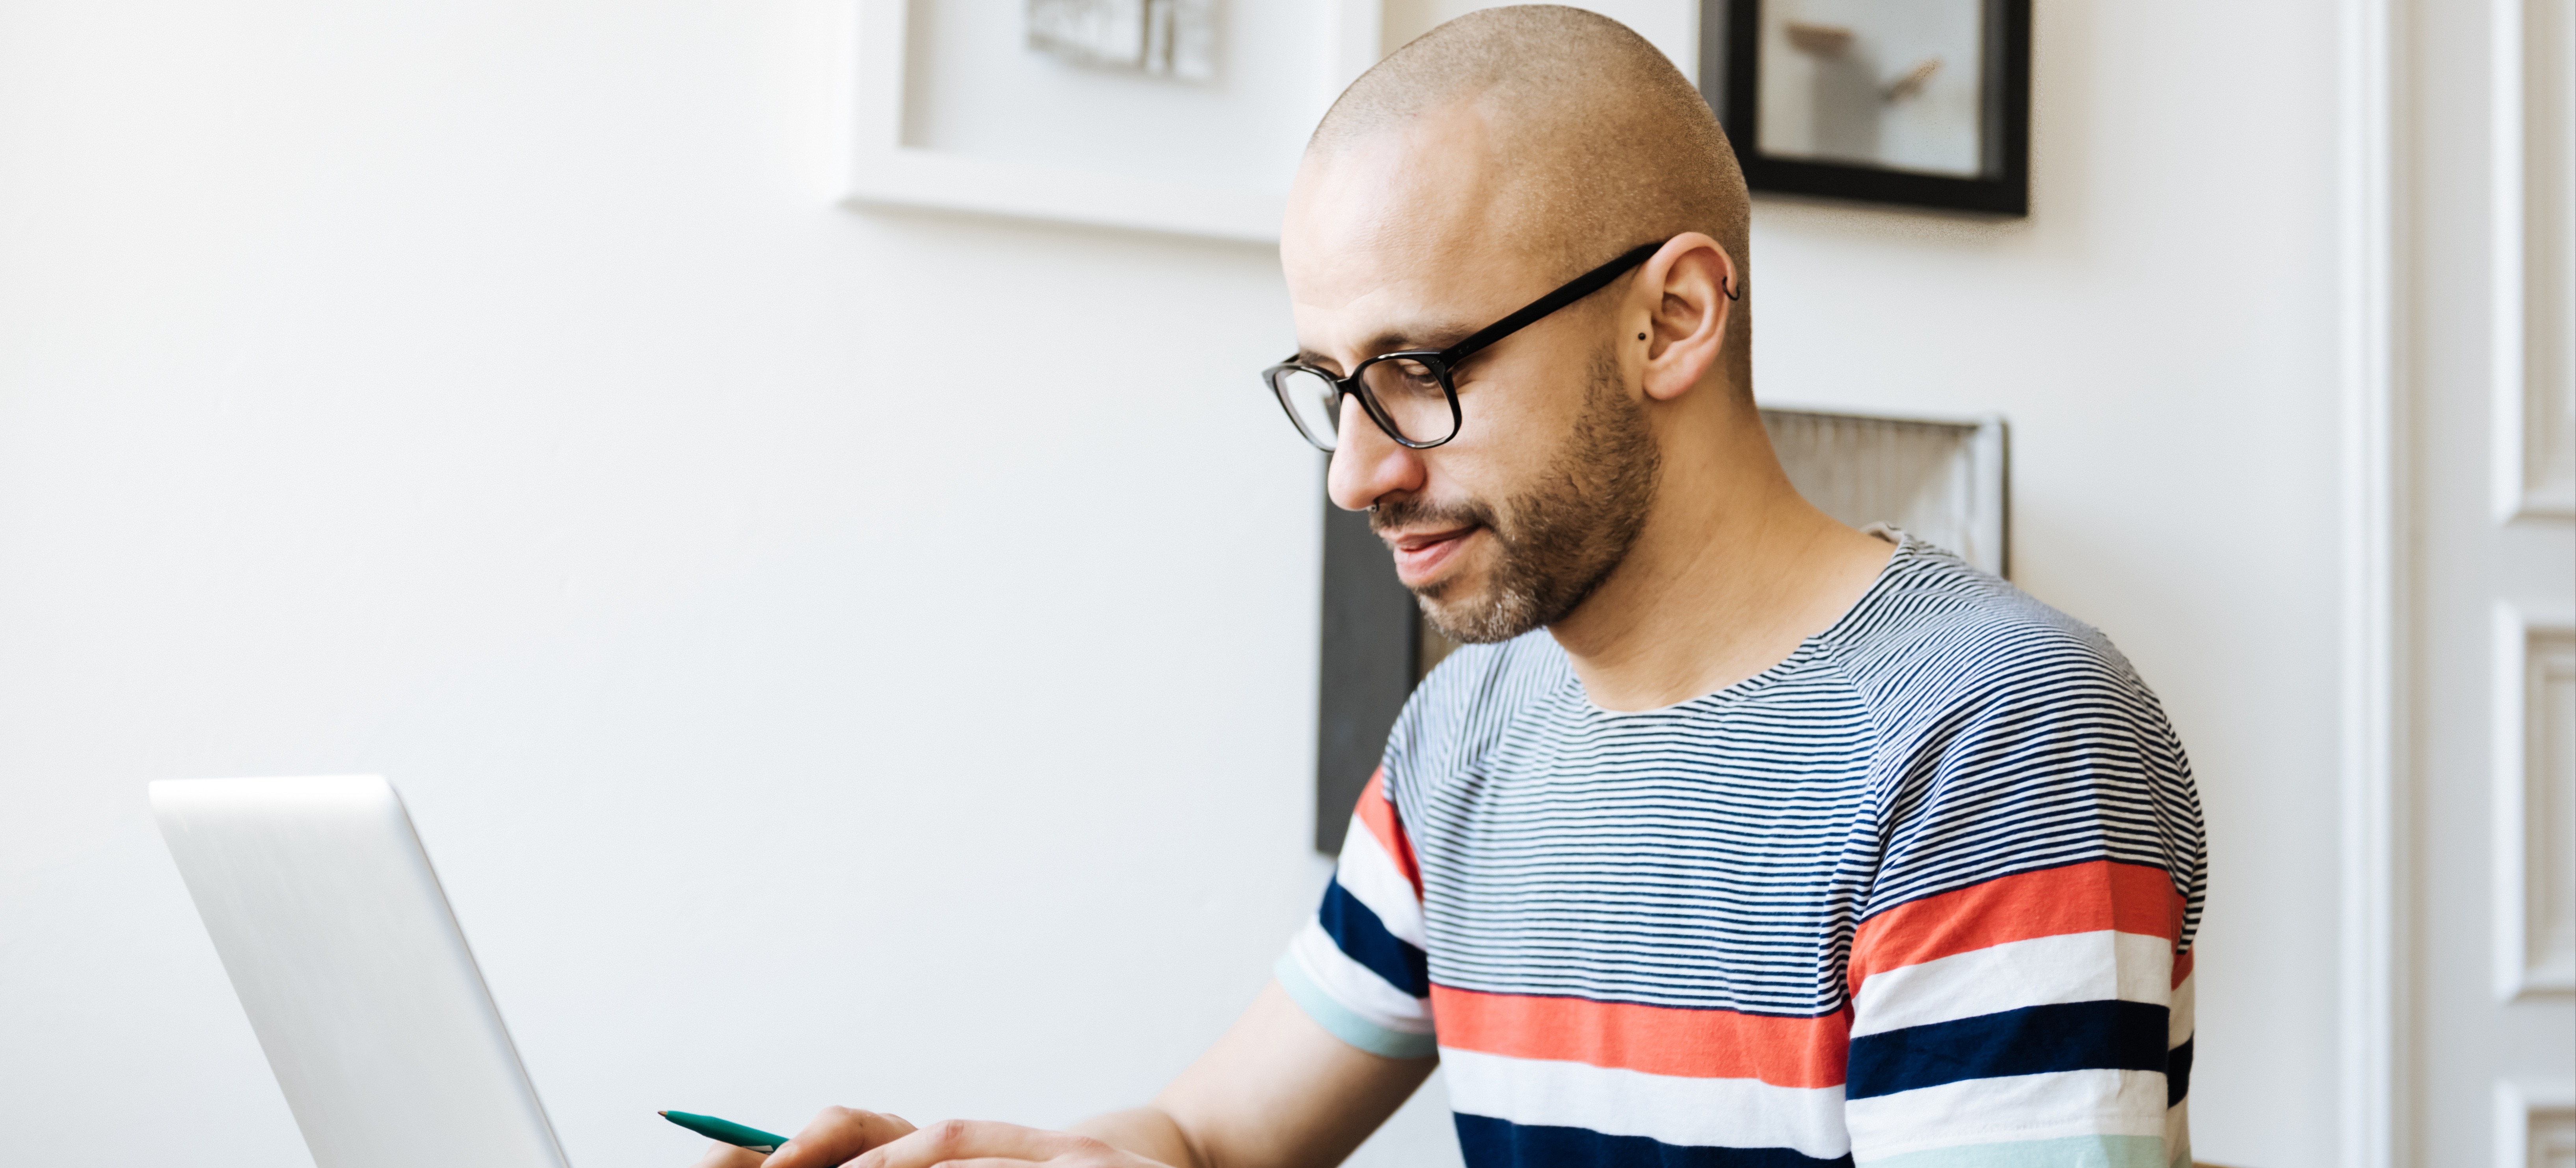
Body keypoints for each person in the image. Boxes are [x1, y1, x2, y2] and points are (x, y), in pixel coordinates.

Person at [690, 7, 2206, 1166]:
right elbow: (1208, 1139)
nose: (1354, 472)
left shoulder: (1995, 737)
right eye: (1331, 384)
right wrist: (1021, 1157)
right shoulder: (1468, 733)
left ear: (1670, 319)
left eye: (1416, 373)